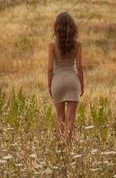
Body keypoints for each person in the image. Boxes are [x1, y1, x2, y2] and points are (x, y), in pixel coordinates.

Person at [47, 12, 84, 141]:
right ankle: (69, 148)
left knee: (60, 117)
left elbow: (50, 69)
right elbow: (79, 67)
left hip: (58, 81)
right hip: (73, 81)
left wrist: (49, 85)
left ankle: (61, 146)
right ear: (72, 27)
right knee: (71, 117)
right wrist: (82, 85)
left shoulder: (52, 45)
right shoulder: (78, 44)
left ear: (57, 27)